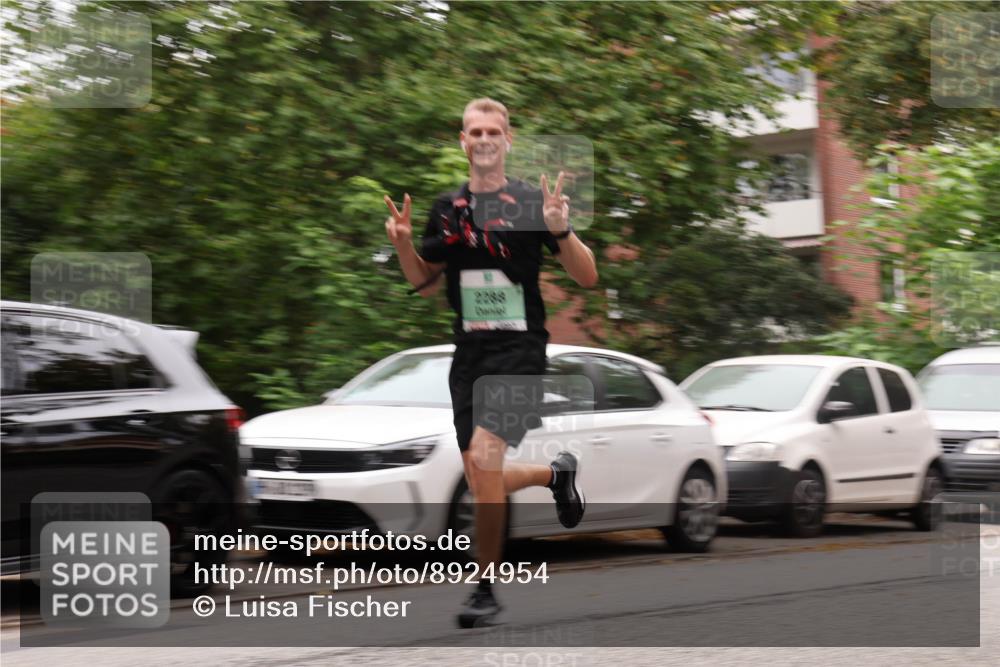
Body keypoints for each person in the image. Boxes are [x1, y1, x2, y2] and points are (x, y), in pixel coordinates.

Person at [384, 98, 599, 628]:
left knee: (483, 459)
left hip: (520, 350)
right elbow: (420, 279)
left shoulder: (531, 201)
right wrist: (406, 246)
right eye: (474, 131)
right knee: (482, 475)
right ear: (463, 140)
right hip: (470, 354)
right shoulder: (447, 208)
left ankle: (483, 588)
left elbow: (588, 277)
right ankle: (556, 474)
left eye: (493, 131)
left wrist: (561, 229)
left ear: (508, 140)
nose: (484, 139)